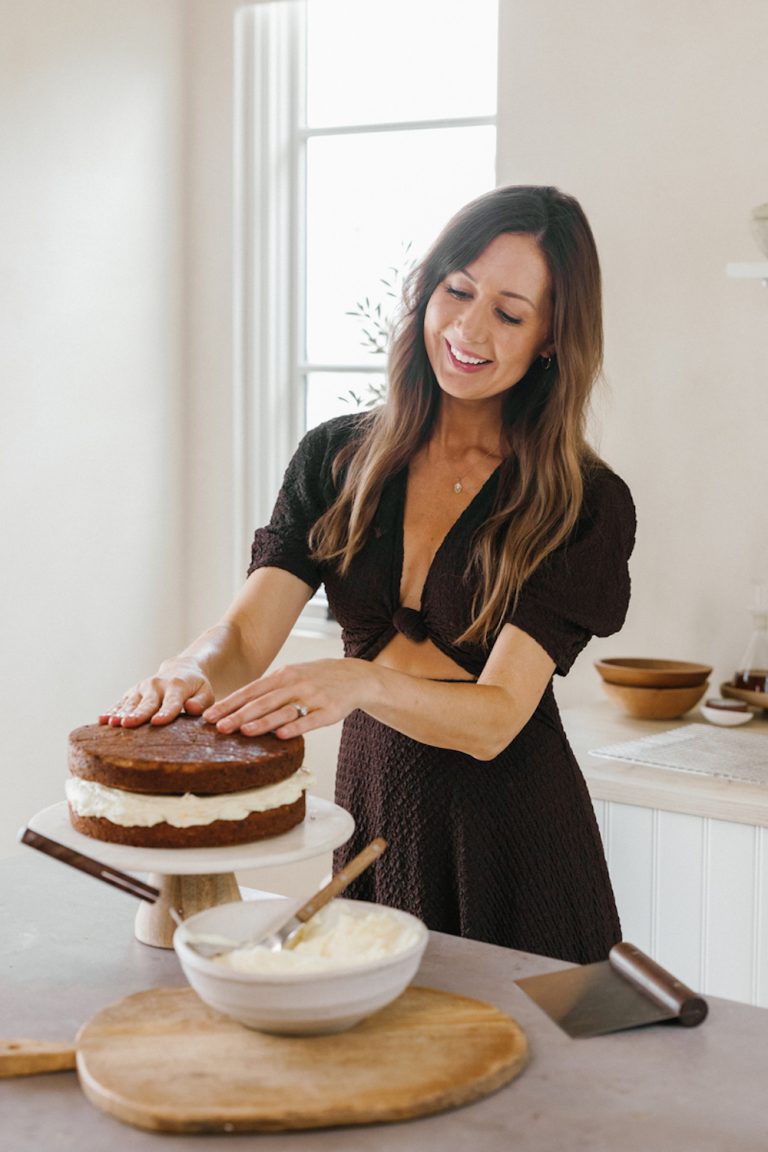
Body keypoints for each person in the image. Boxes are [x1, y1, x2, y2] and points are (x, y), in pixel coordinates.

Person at [102, 185, 636, 964]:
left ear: (551, 338)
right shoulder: (335, 458)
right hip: (375, 813)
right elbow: (247, 637)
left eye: (510, 313)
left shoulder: (582, 500)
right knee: (378, 1058)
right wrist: (186, 671)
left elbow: (494, 722)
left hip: (518, 836)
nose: (467, 328)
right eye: (457, 291)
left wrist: (360, 684)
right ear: (428, 288)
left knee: (545, 1074)